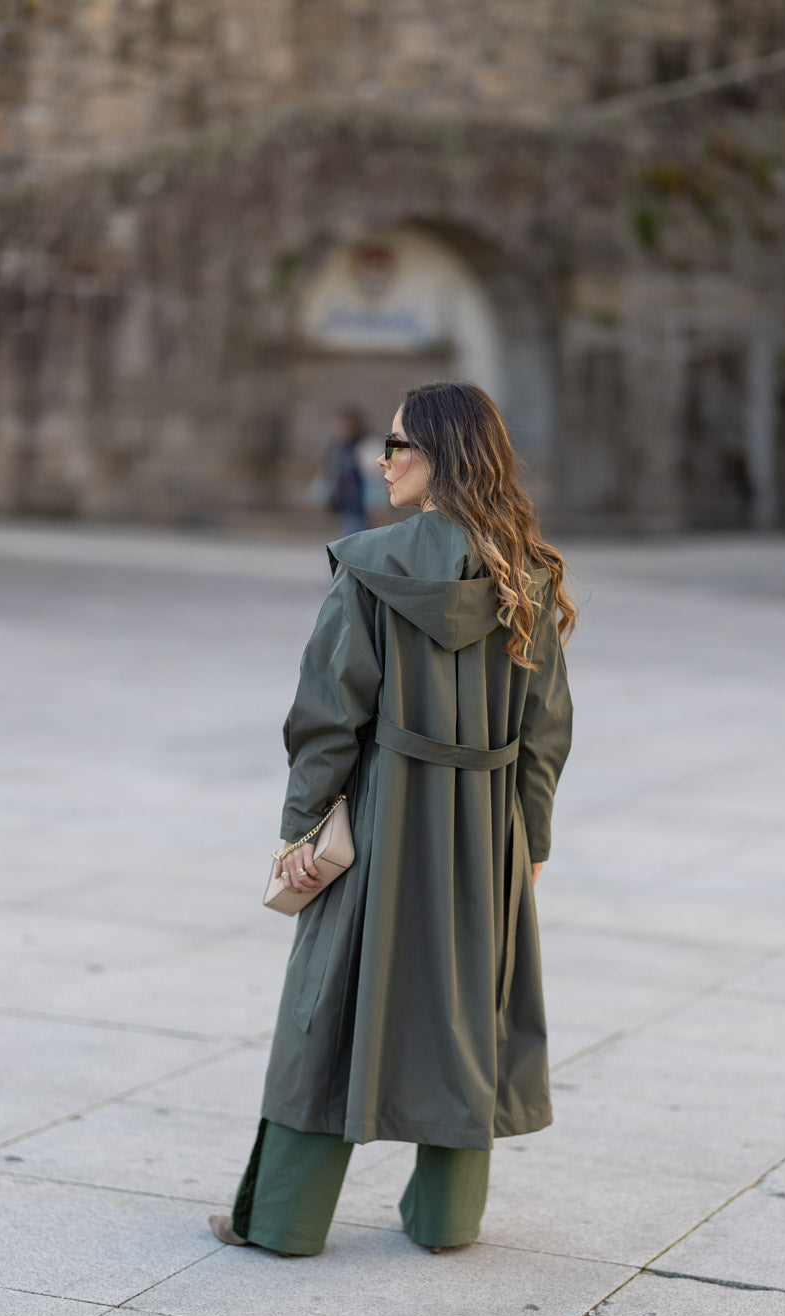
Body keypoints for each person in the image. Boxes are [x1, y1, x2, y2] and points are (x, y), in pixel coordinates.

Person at [210, 380, 576, 1257]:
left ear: (445, 456)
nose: (383, 460)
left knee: (328, 1003)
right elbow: (546, 729)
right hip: (487, 829)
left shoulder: (371, 566)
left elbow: (327, 716)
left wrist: (303, 827)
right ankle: (446, 1220)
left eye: (399, 444)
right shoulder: (525, 573)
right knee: (466, 1009)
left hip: (382, 818)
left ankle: (285, 1220)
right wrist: (530, 840)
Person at [325, 407, 369, 536]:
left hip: (361, 504)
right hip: (345, 503)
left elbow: (371, 480)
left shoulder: (363, 446)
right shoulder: (338, 447)